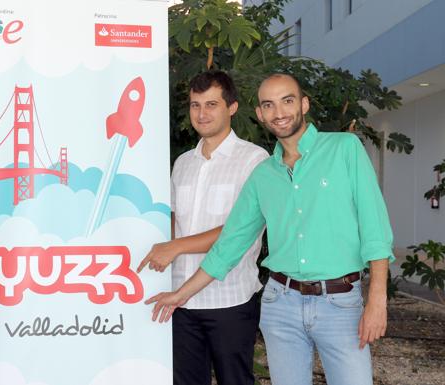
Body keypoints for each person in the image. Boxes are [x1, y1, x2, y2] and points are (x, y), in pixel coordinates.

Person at [146, 73, 393, 385]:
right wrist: (179, 295)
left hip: (340, 304)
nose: (279, 112)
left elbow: (375, 228)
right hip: (281, 305)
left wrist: (377, 300)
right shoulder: (263, 174)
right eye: (269, 105)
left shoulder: (345, 149)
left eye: (287, 101)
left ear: (303, 104)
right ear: (260, 114)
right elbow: (230, 245)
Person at [137, 70, 268, 385]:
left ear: (232, 107)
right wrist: (166, 244)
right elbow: (173, 217)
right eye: (195, 105)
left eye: (211, 104)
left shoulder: (255, 160)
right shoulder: (183, 162)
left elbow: (240, 230)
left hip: (230, 299)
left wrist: (177, 246)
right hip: (181, 300)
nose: (202, 113)